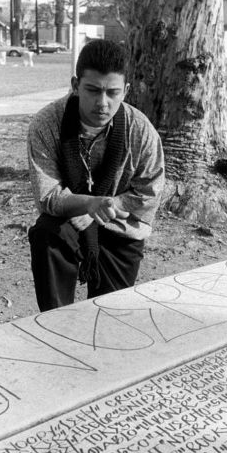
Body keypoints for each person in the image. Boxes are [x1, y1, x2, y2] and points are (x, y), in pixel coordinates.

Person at [27, 39, 165, 312]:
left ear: (125, 90)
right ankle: (57, 326)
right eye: (93, 90)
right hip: (70, 222)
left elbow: (150, 190)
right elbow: (47, 196)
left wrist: (107, 207)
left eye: (112, 92)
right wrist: (87, 204)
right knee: (46, 234)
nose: (103, 103)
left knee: (111, 318)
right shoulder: (47, 124)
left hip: (121, 226)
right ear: (75, 85)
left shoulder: (140, 130)